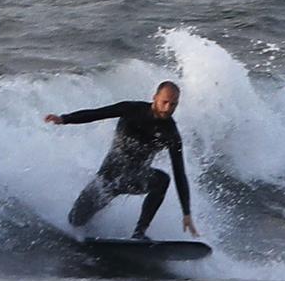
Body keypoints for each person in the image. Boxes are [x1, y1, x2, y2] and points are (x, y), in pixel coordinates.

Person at [44, 81, 199, 240]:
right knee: (75, 220)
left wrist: (186, 212)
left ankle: (140, 232)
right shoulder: (131, 110)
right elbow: (96, 114)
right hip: (108, 178)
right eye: (164, 102)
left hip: (134, 179)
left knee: (162, 180)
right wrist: (64, 119)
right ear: (155, 97)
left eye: (173, 104)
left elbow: (179, 173)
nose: (168, 108)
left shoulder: (171, 134)